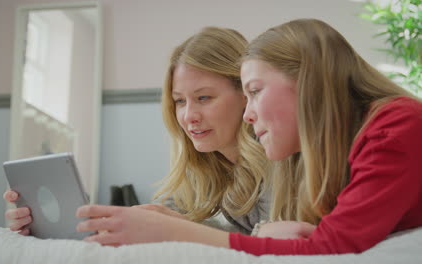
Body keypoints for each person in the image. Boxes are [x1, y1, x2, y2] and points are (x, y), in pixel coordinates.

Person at [74, 18, 422, 255]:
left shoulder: (395, 126)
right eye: (179, 102)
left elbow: (331, 246)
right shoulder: (309, 147)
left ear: (310, 85)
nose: (248, 114)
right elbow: (326, 238)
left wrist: (175, 232)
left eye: (254, 91)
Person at [3, 27, 275, 236]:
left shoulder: (277, 161)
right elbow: (162, 218)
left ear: (245, 92)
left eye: (204, 98)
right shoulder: (202, 169)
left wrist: (177, 228)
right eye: (180, 101)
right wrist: (89, 224)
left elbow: (274, 244)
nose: (189, 116)